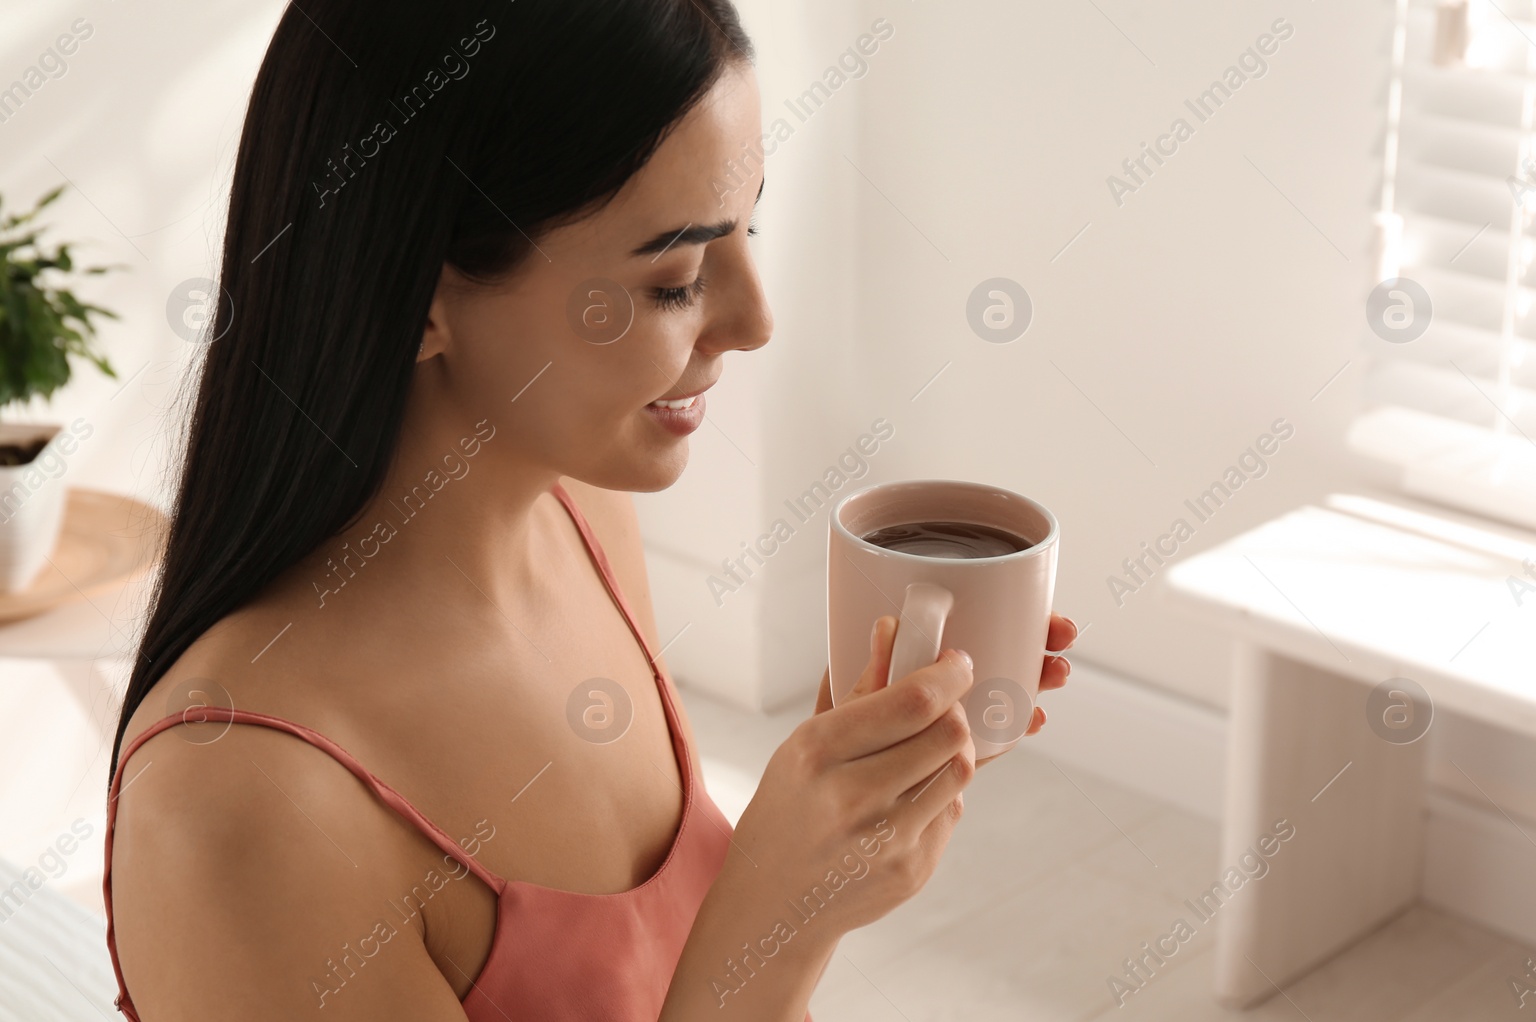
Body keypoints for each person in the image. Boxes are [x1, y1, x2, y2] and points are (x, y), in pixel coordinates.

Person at [103, 2, 1077, 1019]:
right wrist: (778, 928)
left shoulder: (582, 520)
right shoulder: (236, 807)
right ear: (420, 298)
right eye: (676, 279)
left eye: (751, 228)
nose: (754, 320)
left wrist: (831, 812)